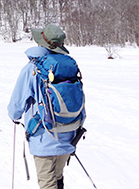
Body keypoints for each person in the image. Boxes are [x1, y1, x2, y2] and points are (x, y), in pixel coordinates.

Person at [7, 24, 84, 189]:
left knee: (47, 183)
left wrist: (14, 116)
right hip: (69, 131)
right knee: (58, 177)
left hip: (44, 135)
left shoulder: (33, 68)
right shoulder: (69, 66)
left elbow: (17, 103)